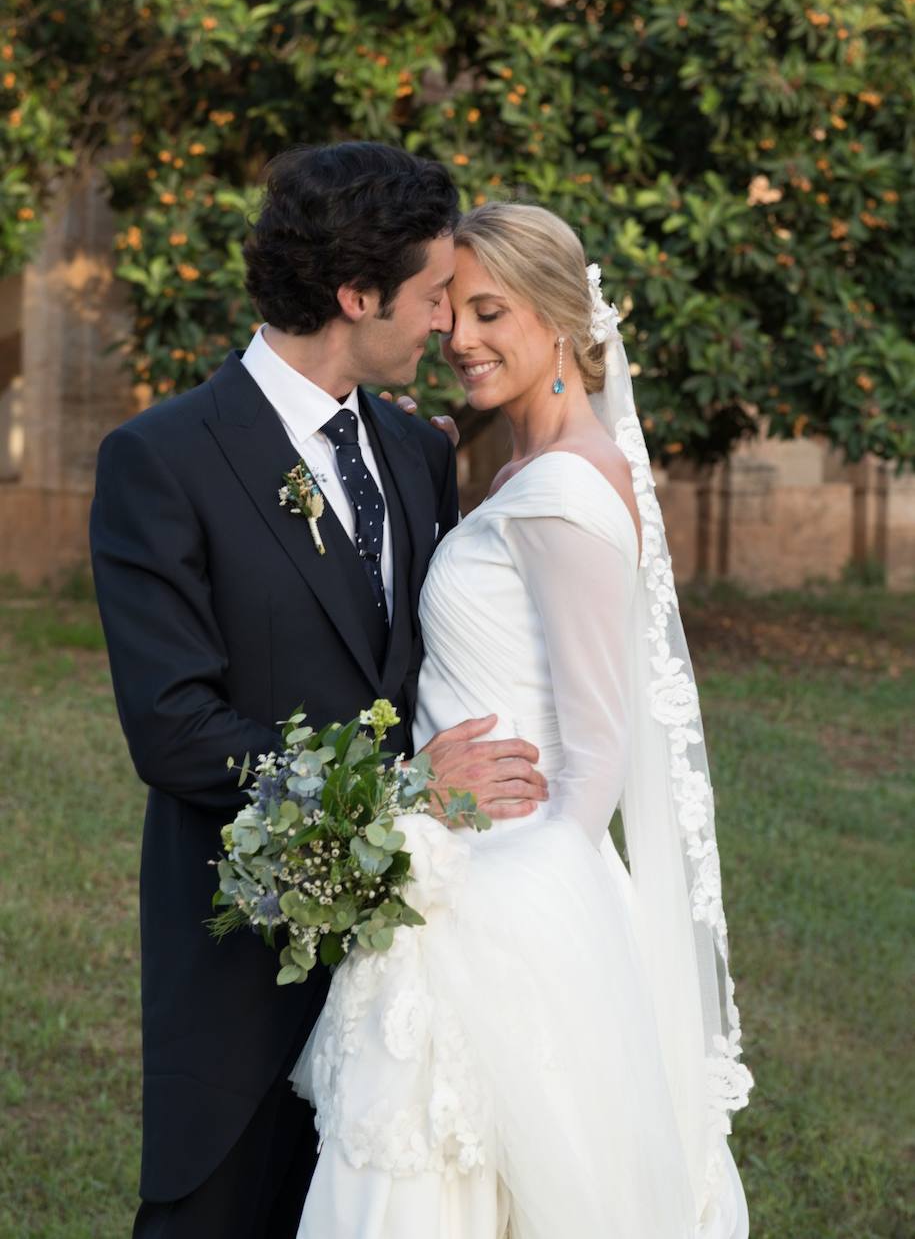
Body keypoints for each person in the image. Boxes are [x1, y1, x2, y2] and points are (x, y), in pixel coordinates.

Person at [89, 144, 548, 1239]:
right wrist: (398, 792)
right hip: (246, 947)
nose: (447, 323)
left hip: (413, 952)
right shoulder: (161, 458)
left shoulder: (415, 448)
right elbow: (173, 729)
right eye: (435, 293)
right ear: (356, 295)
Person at [293, 202, 754, 1239]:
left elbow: (598, 752)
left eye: (490, 311)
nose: (460, 339)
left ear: (559, 315)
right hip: (471, 858)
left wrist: (504, 918)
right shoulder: (519, 469)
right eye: (450, 312)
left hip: (510, 884)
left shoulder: (561, 491)